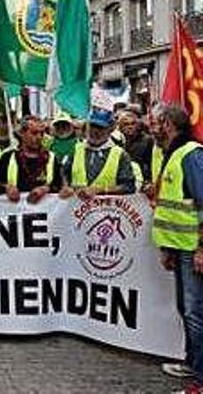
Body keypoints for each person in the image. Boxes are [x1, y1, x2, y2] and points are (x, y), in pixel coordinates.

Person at [148, 105, 203, 391]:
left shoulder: (190, 154)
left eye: (156, 123)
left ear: (168, 124)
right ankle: (193, 363)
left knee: (196, 311)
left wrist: (201, 249)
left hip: (193, 247)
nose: (152, 128)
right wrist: (168, 248)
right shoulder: (171, 154)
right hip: (180, 246)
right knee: (187, 309)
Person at [61, 108, 136, 200]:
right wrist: (66, 188)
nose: (95, 131)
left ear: (110, 129)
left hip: (106, 210)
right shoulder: (75, 149)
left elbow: (128, 186)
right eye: (92, 126)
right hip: (76, 209)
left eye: (101, 128)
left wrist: (100, 190)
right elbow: (64, 175)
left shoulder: (120, 154)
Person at [0, 116, 63, 204]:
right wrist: (6, 188)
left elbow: (60, 186)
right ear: (22, 133)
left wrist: (46, 189)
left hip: (46, 214)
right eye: (34, 133)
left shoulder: (51, 158)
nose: (39, 137)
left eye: (42, 133)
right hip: (15, 212)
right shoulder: (7, 157)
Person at [118, 108, 155, 181]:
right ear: (120, 127)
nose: (130, 127)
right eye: (126, 124)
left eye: (133, 123)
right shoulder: (117, 142)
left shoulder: (148, 141)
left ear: (138, 125)